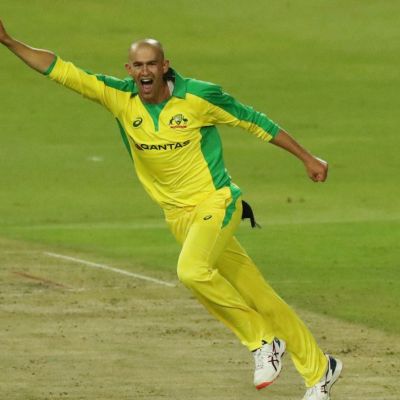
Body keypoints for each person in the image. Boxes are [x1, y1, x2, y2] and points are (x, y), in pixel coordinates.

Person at [0, 19, 342, 400]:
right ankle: (320, 369)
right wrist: (8, 41)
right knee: (259, 295)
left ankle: (262, 340)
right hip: (180, 218)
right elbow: (60, 70)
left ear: (165, 66)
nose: (145, 71)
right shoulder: (119, 97)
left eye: (152, 64)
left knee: (191, 271)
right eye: (138, 65)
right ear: (129, 70)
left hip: (217, 203)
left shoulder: (199, 97)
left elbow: (254, 121)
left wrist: (308, 158)